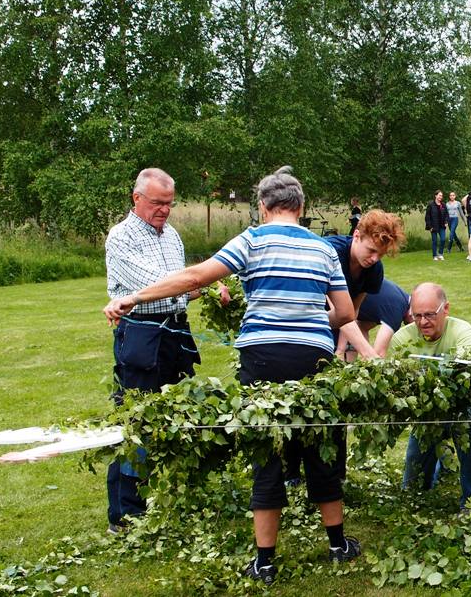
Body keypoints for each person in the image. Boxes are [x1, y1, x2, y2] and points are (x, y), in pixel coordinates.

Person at [104, 171, 377, 584]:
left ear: (264, 207)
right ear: (300, 209)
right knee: (320, 443)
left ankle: (265, 561)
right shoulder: (323, 249)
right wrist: (307, 317)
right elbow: (346, 314)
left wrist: (134, 296)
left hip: (262, 358)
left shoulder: (251, 240)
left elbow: (196, 278)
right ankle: (337, 544)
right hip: (314, 357)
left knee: (265, 449)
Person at [104, 168, 203, 534]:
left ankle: (171, 498)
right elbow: (156, 286)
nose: (164, 210)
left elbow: (180, 286)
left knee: (178, 415)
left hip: (176, 330)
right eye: (157, 203)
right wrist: (199, 283)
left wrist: (202, 288)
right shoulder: (121, 237)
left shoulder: (172, 235)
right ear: (137, 198)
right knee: (136, 422)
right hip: (142, 335)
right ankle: (126, 516)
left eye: (169, 204)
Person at [389, 283, 471, 509]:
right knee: (412, 479)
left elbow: (463, 376)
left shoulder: (463, 332)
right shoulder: (402, 340)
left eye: (430, 315)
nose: (422, 322)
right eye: (417, 315)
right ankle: (420, 490)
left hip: (458, 405)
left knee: (467, 433)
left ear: (446, 309)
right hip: (424, 412)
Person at [340, 279, 412, 359]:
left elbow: (362, 327)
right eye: (419, 316)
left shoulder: (402, 299)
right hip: (335, 302)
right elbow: (379, 354)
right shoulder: (396, 311)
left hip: (344, 299)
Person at [425, 190, 448, 261]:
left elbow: (447, 214)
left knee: (443, 239)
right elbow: (427, 216)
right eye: (439, 195)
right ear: (436, 196)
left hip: (442, 226)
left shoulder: (443, 205)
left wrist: (446, 222)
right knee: (434, 241)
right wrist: (429, 227)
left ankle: (440, 254)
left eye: (441, 196)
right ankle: (435, 255)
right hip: (433, 226)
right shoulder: (431, 205)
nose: (441, 197)